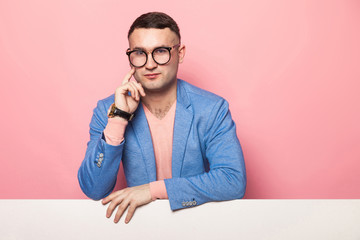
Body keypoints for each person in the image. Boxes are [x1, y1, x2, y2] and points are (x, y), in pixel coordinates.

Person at [78, 12, 246, 224]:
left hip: (196, 224)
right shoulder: (109, 109)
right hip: (137, 226)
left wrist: (153, 190)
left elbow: (232, 181)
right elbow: (94, 188)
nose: (150, 64)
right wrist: (119, 119)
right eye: (139, 53)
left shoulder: (212, 108)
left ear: (180, 53)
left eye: (160, 51)